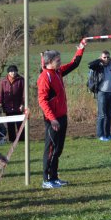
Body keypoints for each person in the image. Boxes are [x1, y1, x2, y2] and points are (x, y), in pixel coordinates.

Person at [37, 40, 87, 189]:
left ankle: (54, 177)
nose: (60, 62)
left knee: (58, 149)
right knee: (51, 149)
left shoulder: (58, 72)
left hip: (62, 116)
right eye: (57, 60)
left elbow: (73, 64)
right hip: (52, 120)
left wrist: (80, 50)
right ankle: (46, 180)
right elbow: (42, 101)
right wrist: (52, 119)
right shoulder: (45, 77)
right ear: (49, 62)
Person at [88, 50, 111, 141]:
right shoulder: (98, 66)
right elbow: (90, 65)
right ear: (101, 57)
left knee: (109, 115)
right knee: (102, 115)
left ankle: (107, 134)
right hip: (101, 92)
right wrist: (100, 60)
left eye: (108, 57)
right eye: (104, 57)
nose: (106, 59)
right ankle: (100, 135)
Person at [0, 65, 24, 142]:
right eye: (11, 71)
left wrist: (22, 104)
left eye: (15, 71)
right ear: (8, 72)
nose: (13, 73)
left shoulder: (21, 80)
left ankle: (22, 139)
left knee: (20, 124)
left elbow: (24, 93)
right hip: (8, 106)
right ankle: (12, 140)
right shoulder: (3, 81)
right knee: (10, 125)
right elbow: (1, 93)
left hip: (18, 106)